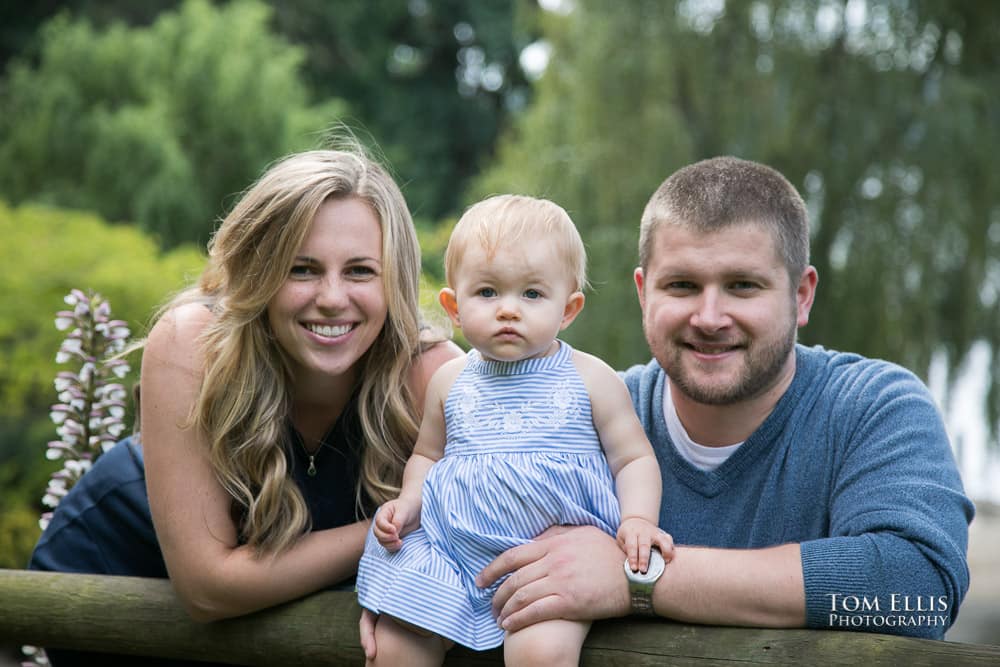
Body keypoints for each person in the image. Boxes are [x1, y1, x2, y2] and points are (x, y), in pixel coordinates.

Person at [465, 157, 974, 642]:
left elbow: (920, 593)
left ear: (801, 295)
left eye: (743, 286)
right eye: (682, 285)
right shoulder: (583, 413)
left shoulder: (874, 406)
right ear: (644, 294)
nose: (709, 317)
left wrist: (639, 579)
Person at [29, 146, 462, 666]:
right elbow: (207, 588)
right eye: (301, 269)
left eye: (360, 271)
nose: (331, 296)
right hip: (121, 581)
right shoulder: (194, 342)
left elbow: (531, 501)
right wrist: (390, 532)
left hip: (280, 625)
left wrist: (588, 564)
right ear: (259, 271)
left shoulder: (435, 376)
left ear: (394, 279)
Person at [356, 194, 674, 666]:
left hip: (551, 564)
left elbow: (632, 458)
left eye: (531, 294)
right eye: (487, 293)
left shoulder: (590, 378)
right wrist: (408, 503)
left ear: (567, 309)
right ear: (454, 307)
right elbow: (426, 456)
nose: (508, 310)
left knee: (541, 653)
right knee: (397, 642)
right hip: (452, 551)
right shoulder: (450, 380)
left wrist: (638, 520)